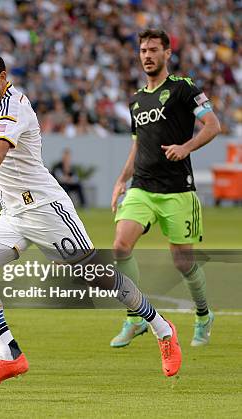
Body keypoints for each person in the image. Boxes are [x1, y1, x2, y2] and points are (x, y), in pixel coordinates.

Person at [0, 50, 181, 387]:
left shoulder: (15, 105)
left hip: (46, 210)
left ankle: (162, 327)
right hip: (13, 215)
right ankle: (9, 355)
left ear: (2, 78)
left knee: (98, 277)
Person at [110, 29, 221, 348]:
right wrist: (121, 180)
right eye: (143, 50)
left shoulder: (184, 89)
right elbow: (137, 147)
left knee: (183, 261)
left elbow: (213, 125)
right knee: (120, 246)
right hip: (142, 187)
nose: (147, 55)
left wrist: (186, 147)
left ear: (167, 53)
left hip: (178, 190)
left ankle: (203, 315)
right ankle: (134, 317)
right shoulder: (136, 101)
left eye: (154, 50)